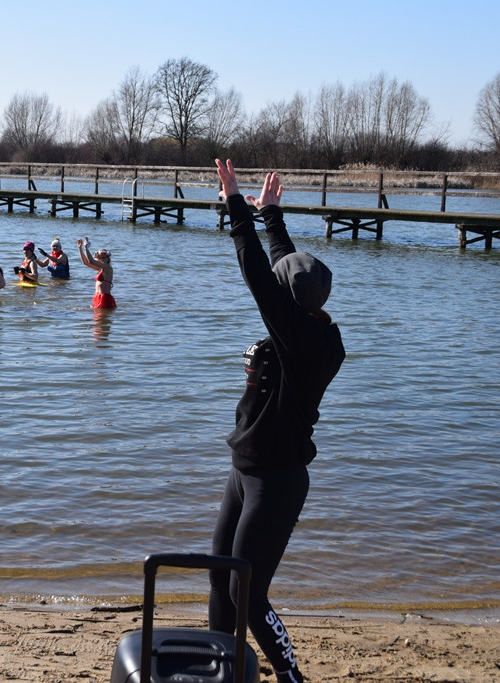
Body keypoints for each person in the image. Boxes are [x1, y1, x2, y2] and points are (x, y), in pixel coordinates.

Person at [208, 159, 345, 683]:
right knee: (221, 577)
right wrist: (271, 214)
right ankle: (222, 668)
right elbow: (285, 267)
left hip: (276, 481)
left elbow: (258, 274)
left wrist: (236, 205)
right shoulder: (306, 320)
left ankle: (290, 676)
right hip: (244, 469)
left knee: (248, 591)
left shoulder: (302, 342)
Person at [77, 236, 115, 309]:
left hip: (105, 298)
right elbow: (86, 262)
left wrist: (86, 247)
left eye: (104, 257)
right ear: (98, 258)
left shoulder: (108, 268)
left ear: (108, 258)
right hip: (97, 297)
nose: (102, 259)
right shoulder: (100, 268)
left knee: (101, 316)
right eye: (100, 258)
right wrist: (80, 248)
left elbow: (91, 261)